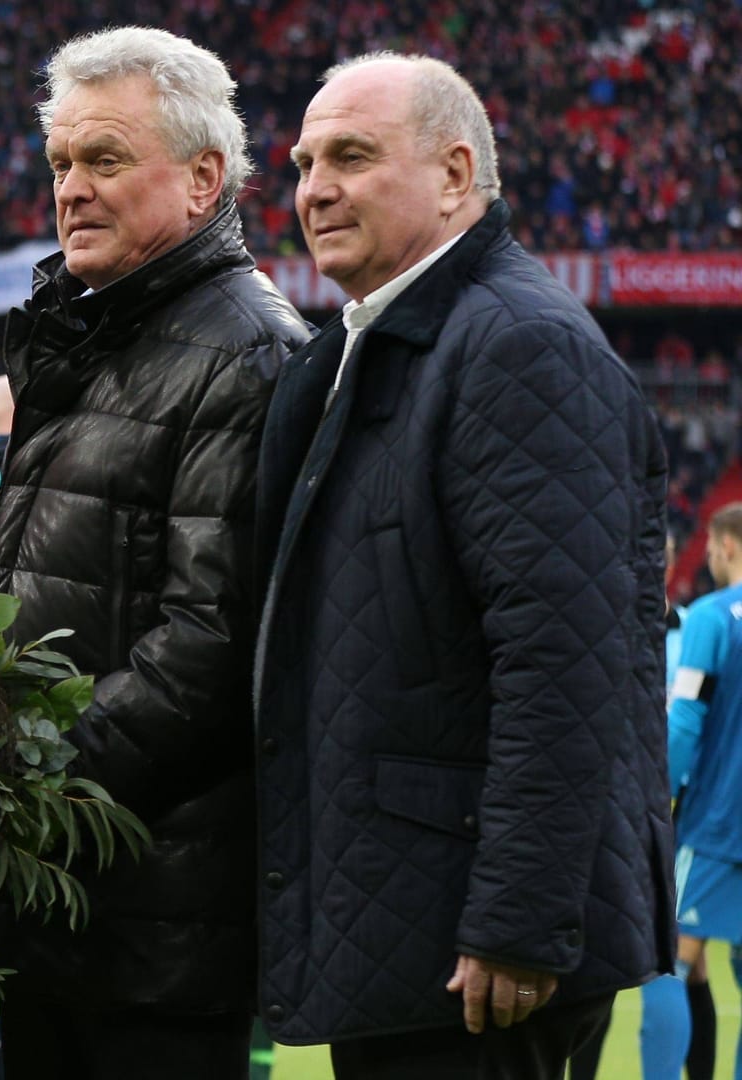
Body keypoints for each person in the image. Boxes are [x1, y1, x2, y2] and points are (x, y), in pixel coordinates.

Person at [0, 27, 310, 1077]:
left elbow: (210, 647)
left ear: (205, 177)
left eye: (106, 160)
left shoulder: (249, 352)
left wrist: (16, 789)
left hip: (153, 922)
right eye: (61, 165)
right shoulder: (107, 331)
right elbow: (109, 556)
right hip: (67, 911)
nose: (71, 189)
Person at [252, 53, 672, 1077]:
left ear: (454, 175)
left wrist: (519, 917)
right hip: (411, 928)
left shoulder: (519, 344)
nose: (315, 188)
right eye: (306, 163)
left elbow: (564, 659)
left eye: (352, 156)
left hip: (476, 954)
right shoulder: (387, 339)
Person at [642, 507, 742, 1080]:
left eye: (712, 547)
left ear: (728, 546)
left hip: (714, 823)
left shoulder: (709, 618)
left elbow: (683, 722)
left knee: (669, 963)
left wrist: (662, 795)